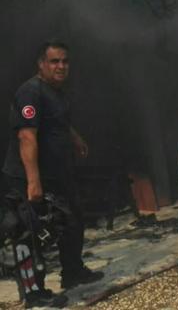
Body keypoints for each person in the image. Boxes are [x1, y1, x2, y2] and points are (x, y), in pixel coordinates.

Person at [1, 41, 103, 308]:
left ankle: (73, 272)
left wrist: (75, 138)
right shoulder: (30, 92)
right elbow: (26, 136)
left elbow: (59, 121)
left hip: (57, 175)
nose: (61, 66)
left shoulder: (56, 91)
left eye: (65, 61)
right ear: (41, 64)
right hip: (27, 177)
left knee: (72, 220)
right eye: (54, 61)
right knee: (27, 233)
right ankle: (33, 293)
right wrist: (33, 181)